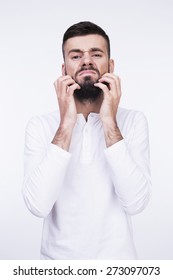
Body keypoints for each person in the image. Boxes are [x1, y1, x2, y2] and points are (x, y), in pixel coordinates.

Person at [22, 21, 151, 260]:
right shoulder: (41, 126)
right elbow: (38, 206)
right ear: (64, 70)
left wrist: (109, 122)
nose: (86, 61)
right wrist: (67, 124)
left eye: (96, 54)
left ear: (110, 65)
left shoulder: (133, 121)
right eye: (76, 55)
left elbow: (135, 203)